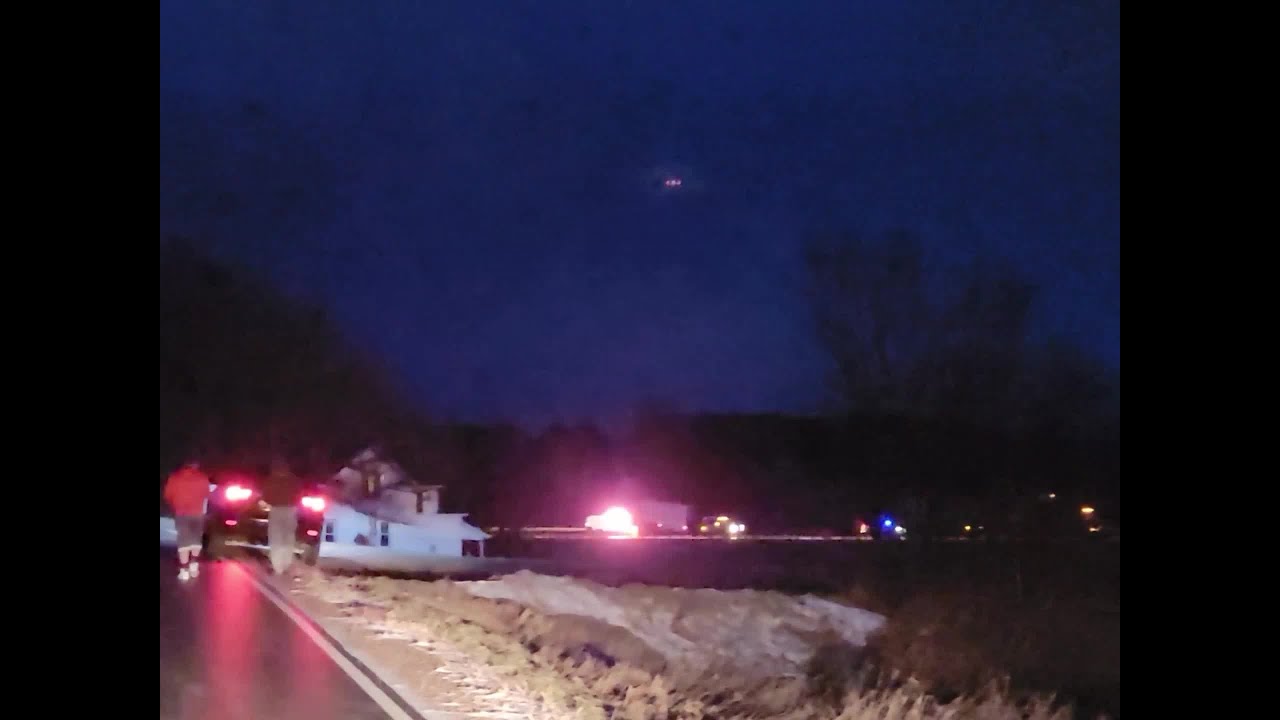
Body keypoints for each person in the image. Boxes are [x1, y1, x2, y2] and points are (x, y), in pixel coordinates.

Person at [164, 460, 211, 581]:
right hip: (198, 513)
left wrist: (175, 504)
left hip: (182, 513)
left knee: (184, 542)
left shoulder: (175, 477)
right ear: (196, 465)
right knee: (196, 540)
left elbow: (168, 495)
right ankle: (194, 565)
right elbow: (207, 494)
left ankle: (184, 571)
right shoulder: (202, 477)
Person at [263, 456, 301, 575]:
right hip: (291, 510)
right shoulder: (294, 480)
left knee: (276, 538)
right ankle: (286, 564)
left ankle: (277, 567)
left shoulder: (271, 480)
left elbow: (265, 496)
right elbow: (299, 494)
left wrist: (268, 504)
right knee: (288, 537)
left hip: (276, 510)